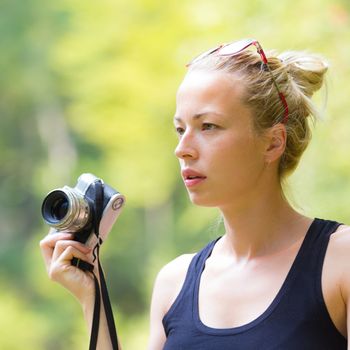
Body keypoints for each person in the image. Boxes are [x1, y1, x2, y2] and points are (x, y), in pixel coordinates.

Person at [40, 38, 350, 349]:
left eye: (209, 126)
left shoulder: (340, 261)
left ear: (272, 143)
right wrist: (93, 297)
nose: (182, 149)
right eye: (180, 129)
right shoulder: (173, 283)